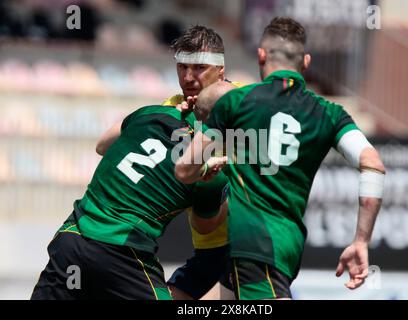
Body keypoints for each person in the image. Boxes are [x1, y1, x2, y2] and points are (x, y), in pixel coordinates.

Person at [175, 17, 386, 300]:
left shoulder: (236, 102)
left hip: (254, 244)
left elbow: (184, 169)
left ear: (261, 56)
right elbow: (373, 164)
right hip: (284, 245)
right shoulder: (330, 113)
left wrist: (207, 166)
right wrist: (361, 241)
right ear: (306, 61)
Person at [31, 103, 228, 300]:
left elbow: (101, 146)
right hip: (120, 251)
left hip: (72, 237)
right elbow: (204, 226)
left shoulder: (153, 113)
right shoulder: (210, 176)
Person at [161, 25, 239, 300]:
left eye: (199, 68)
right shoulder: (170, 111)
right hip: (207, 249)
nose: (189, 77)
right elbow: (102, 146)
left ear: (221, 70)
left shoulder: (246, 104)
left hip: (246, 247)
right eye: (182, 67)